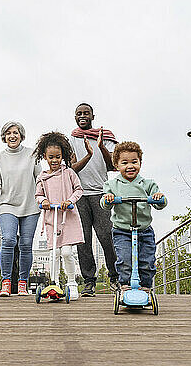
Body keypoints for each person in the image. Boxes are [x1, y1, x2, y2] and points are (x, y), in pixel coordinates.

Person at [100, 141, 167, 292]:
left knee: (147, 261)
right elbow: (104, 203)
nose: (130, 166)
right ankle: (125, 286)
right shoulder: (111, 184)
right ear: (116, 165)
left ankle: (146, 287)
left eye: (134, 162)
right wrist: (108, 198)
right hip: (122, 230)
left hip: (144, 230)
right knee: (124, 259)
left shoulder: (148, 184)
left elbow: (160, 203)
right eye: (124, 162)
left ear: (140, 163)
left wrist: (158, 197)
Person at [0, 121, 41, 297]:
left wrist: (45, 198)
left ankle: (23, 282)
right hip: (7, 205)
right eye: (8, 133)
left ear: (21, 135)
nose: (12, 136)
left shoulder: (32, 154)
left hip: (31, 205)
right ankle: (6, 283)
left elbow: (40, 179)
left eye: (15, 132)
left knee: (25, 244)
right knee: (8, 240)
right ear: (4, 137)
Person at [69, 103, 120, 296]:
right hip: (79, 194)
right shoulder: (72, 138)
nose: (82, 116)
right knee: (83, 240)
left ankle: (115, 277)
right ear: (75, 117)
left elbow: (113, 165)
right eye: (78, 113)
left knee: (106, 236)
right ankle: (89, 281)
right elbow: (71, 169)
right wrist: (88, 155)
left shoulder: (105, 137)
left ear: (93, 116)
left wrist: (99, 147)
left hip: (101, 192)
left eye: (86, 113)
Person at [34, 132, 84, 300]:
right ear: (44, 157)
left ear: (62, 156)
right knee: (53, 253)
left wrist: (70, 201)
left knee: (67, 252)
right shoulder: (42, 177)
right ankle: (53, 283)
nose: (54, 160)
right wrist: (43, 201)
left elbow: (79, 190)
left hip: (67, 218)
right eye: (51, 157)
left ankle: (71, 282)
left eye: (57, 157)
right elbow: (37, 195)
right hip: (52, 219)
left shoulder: (69, 173)